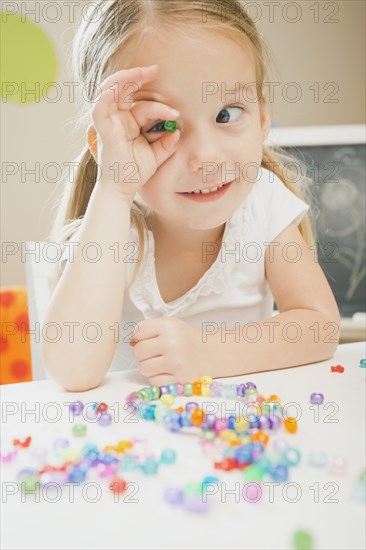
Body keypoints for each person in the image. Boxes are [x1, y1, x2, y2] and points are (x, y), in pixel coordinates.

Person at [42, 0, 340, 392]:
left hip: (239, 433)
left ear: (263, 115)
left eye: (227, 114)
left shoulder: (262, 206)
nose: (206, 157)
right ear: (109, 146)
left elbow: (320, 326)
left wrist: (210, 353)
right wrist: (114, 190)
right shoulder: (113, 227)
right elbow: (71, 371)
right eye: (162, 125)